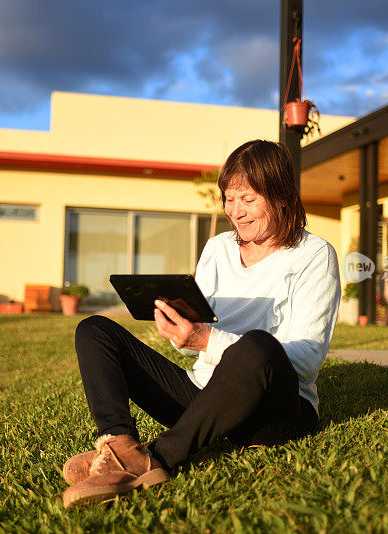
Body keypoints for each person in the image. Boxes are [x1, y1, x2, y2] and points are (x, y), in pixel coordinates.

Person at [61, 140, 341, 508]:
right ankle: (117, 446)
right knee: (95, 331)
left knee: (257, 345)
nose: (236, 212)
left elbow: (306, 360)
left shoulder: (314, 256)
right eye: (229, 198)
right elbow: (196, 335)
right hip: (205, 398)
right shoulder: (218, 248)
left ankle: (153, 458)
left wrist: (207, 339)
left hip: (273, 413)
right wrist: (183, 332)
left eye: (248, 199)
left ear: (281, 195)